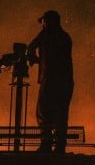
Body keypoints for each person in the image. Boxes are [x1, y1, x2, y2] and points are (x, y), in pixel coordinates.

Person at [27, 10, 74, 153]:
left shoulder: (47, 33)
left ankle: (46, 145)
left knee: (44, 112)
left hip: (51, 79)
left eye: (43, 22)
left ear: (47, 22)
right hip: (66, 81)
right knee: (61, 113)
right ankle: (60, 147)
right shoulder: (65, 37)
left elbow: (31, 47)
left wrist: (32, 58)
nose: (42, 25)